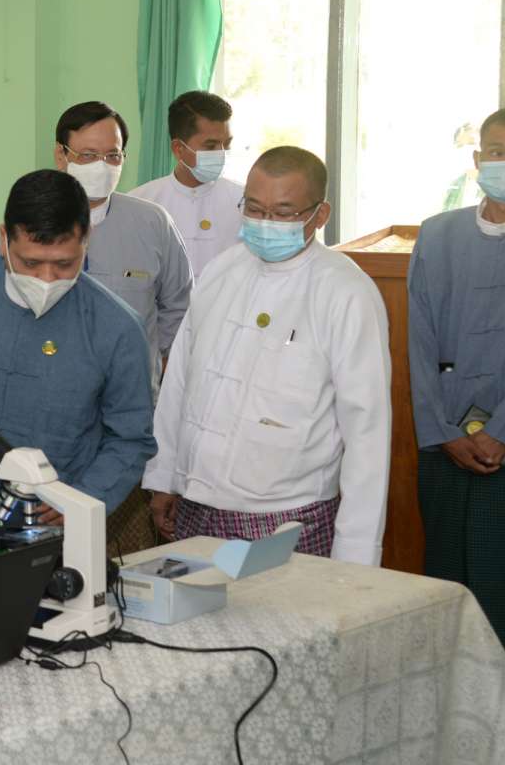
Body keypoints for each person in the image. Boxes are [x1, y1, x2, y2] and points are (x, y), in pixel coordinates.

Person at [145, 146, 391, 564]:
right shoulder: (222, 270)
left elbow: (367, 431)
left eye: (283, 213)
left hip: (287, 519)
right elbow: (180, 382)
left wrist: (355, 557)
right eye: (255, 209)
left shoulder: (346, 291)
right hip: (195, 505)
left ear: (321, 214)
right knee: (192, 608)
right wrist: (164, 477)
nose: (265, 222)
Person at [409, 105, 505, 765]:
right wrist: (441, 432)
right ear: (478, 159)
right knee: (452, 592)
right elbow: (419, 341)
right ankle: (453, 740)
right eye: (498, 151)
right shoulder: (439, 234)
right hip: (448, 450)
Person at [0, 170, 156, 528]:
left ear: (87, 240)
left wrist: (82, 499)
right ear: (4, 238)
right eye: (30, 262)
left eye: (64, 264)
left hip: (53, 517)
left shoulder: (117, 328)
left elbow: (130, 438)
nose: (46, 279)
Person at [54, 101, 191, 391]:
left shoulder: (152, 223)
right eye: (88, 155)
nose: (102, 166)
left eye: (113, 156)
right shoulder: (30, 220)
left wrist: (157, 360)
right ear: (61, 155)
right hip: (53, 390)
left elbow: (179, 304)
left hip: (131, 395)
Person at [129, 91, 244, 279]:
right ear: (178, 149)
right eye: (211, 146)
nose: (222, 153)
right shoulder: (141, 203)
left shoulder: (245, 201)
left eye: (227, 144)